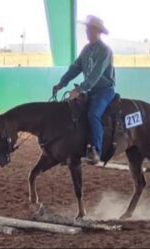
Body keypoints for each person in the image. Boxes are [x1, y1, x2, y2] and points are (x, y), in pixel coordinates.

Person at [53, 15, 116, 165]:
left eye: (89, 29)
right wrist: (62, 83)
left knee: (93, 114)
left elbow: (95, 74)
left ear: (97, 31)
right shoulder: (86, 49)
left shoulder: (105, 51)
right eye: (87, 29)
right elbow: (75, 68)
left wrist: (80, 89)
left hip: (104, 90)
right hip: (91, 90)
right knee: (72, 111)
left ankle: (96, 150)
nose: (86, 31)